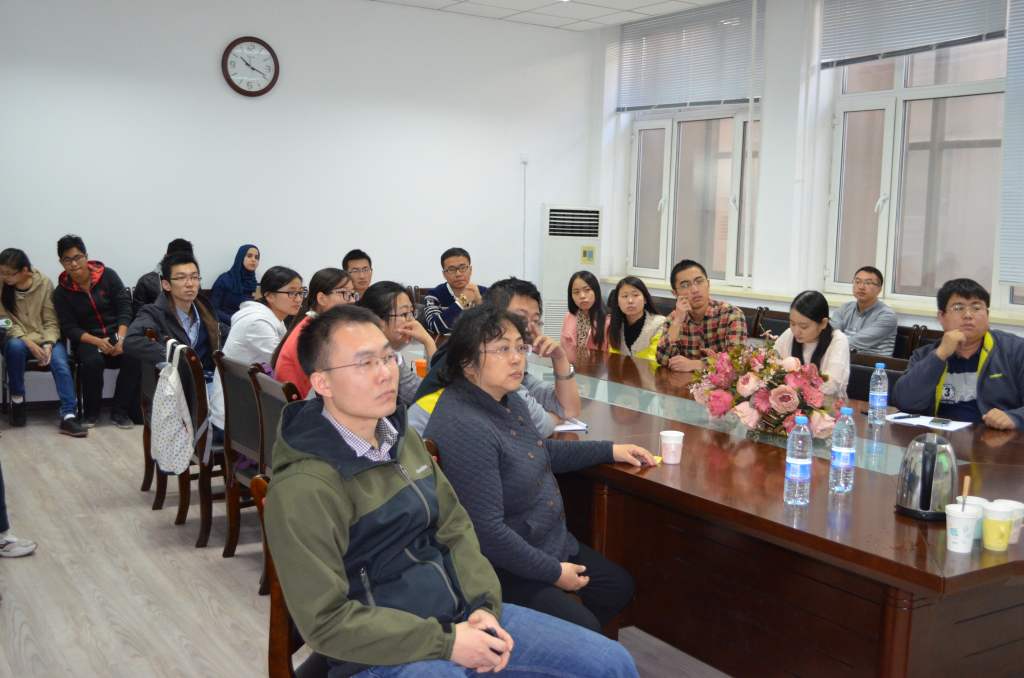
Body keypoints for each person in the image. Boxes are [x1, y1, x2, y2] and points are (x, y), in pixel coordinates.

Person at [263, 304, 639, 678]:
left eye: (389, 358)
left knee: (613, 662)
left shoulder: (403, 440)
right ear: (322, 383)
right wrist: (448, 642)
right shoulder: (304, 486)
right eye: (365, 363)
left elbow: (456, 529)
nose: (385, 373)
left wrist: (484, 606)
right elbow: (326, 623)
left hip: (459, 614)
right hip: (385, 652)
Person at [424, 305, 653, 633]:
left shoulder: (508, 398)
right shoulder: (464, 424)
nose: (517, 359)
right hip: (499, 567)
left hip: (544, 543)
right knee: (584, 627)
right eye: (503, 349)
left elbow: (539, 452)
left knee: (617, 587)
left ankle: (554, 648)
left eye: (520, 348)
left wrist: (610, 450)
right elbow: (487, 534)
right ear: (466, 361)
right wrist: (555, 573)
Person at [410, 277, 581, 438]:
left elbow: (569, 409)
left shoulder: (506, 361)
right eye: (520, 318)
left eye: (535, 321)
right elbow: (539, 425)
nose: (529, 329)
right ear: (489, 315)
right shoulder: (473, 358)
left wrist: (560, 359)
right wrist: (554, 418)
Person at [892, 279, 1024, 429]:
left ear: (987, 314)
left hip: (994, 438)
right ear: (941, 316)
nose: (968, 315)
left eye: (976, 308)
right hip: (941, 438)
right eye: (958, 308)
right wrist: (939, 355)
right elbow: (905, 402)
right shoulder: (926, 355)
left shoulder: (1015, 350)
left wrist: (1014, 418)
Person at [51, 234, 141, 429]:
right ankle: (90, 414)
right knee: (93, 362)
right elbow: (69, 327)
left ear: (86, 256)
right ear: (61, 263)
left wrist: (122, 338)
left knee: (134, 356)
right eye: (67, 260)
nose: (74, 264)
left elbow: (125, 308)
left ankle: (120, 412)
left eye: (78, 257)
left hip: (117, 334)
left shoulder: (108, 276)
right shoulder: (61, 292)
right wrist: (97, 341)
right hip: (87, 340)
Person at [0, 248, 85, 436]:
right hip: (16, 339)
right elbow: (4, 321)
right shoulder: (1, 285)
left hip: (44, 338)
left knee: (61, 364)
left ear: (24, 270)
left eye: (8, 273)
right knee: (15, 347)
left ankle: (69, 416)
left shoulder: (44, 283)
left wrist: (48, 344)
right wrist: (28, 342)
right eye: (2, 273)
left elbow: (51, 320)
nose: (4, 277)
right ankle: (17, 401)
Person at [124, 252, 221, 383]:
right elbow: (131, 340)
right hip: (176, 384)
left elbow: (226, 337)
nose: (190, 283)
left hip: (209, 379)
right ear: (166, 285)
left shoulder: (206, 313)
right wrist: (173, 357)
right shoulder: (153, 313)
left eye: (194, 277)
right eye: (181, 278)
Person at [271, 268, 357, 398]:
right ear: (322, 299)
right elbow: (319, 390)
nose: (351, 301)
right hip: (304, 405)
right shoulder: (312, 335)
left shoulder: (312, 326)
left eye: (352, 294)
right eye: (344, 293)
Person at [656, 259, 748, 372]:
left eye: (699, 282)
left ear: (708, 284)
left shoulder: (732, 315)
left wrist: (697, 364)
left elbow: (736, 360)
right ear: (675, 293)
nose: (695, 290)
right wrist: (677, 322)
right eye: (685, 285)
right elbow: (663, 360)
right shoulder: (673, 319)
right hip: (684, 382)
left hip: (722, 382)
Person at [357, 281, 437, 407]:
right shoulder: (386, 358)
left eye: (412, 313)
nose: (413, 321)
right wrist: (429, 342)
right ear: (377, 321)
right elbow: (433, 398)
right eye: (404, 314)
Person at [220, 267, 303, 368]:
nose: (299, 299)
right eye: (291, 293)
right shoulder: (257, 322)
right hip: (239, 378)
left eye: (301, 292)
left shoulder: (273, 316)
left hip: (252, 376)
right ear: (269, 296)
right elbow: (285, 362)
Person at [774, 291, 850, 400]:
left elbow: (831, 385)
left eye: (804, 327)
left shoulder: (837, 340)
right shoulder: (789, 334)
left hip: (827, 405)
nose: (796, 331)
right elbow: (771, 367)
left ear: (823, 323)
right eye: (792, 323)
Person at [829, 266, 898, 356]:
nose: (861, 287)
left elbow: (855, 342)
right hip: (843, 360)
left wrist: (830, 344)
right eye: (857, 282)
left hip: (872, 363)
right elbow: (829, 335)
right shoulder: (844, 309)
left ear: (879, 289)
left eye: (868, 283)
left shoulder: (887, 316)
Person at [423, 248, 488, 334]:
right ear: (444, 274)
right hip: (444, 342)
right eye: (452, 269)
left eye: (463, 268)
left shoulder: (485, 292)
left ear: (470, 270)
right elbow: (435, 327)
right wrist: (462, 301)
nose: (458, 274)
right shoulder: (434, 294)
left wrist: (481, 304)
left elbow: (497, 325)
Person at [606, 277, 664, 360]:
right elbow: (613, 359)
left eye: (635, 295)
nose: (630, 301)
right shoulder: (617, 325)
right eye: (624, 296)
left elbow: (653, 360)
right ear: (618, 302)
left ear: (645, 299)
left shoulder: (660, 324)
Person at [132, 238, 194, 315]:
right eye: (177, 262)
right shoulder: (146, 282)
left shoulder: (193, 282)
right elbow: (138, 315)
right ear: (166, 257)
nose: (181, 267)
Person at [209, 244, 259, 325]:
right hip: (227, 325)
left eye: (256, 257)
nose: (253, 260)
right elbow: (213, 309)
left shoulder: (255, 284)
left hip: (250, 325)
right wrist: (235, 322)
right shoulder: (225, 279)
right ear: (240, 257)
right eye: (249, 256)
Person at [560, 270, 609, 353]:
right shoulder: (568, 317)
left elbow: (613, 357)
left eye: (587, 290)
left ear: (596, 291)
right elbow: (563, 350)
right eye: (576, 292)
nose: (582, 296)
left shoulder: (609, 321)